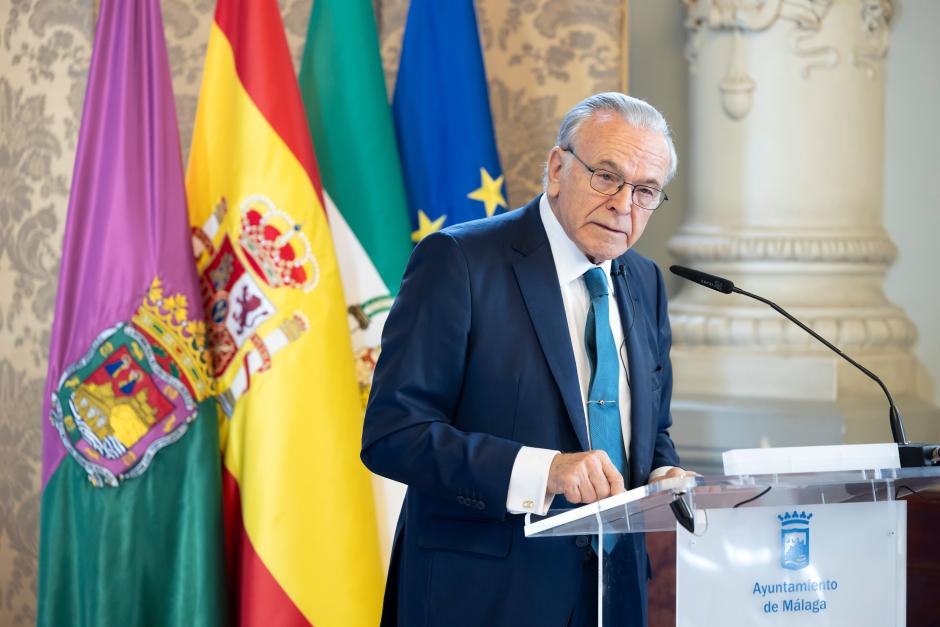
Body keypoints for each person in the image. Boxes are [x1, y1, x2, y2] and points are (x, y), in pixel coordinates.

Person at [362, 92, 692, 627]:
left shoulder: (645, 281)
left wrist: (662, 469)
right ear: (557, 168)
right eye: (606, 177)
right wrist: (546, 471)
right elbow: (393, 436)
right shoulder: (460, 262)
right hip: (484, 597)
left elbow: (650, 428)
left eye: (646, 191)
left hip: (616, 592)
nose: (624, 206)